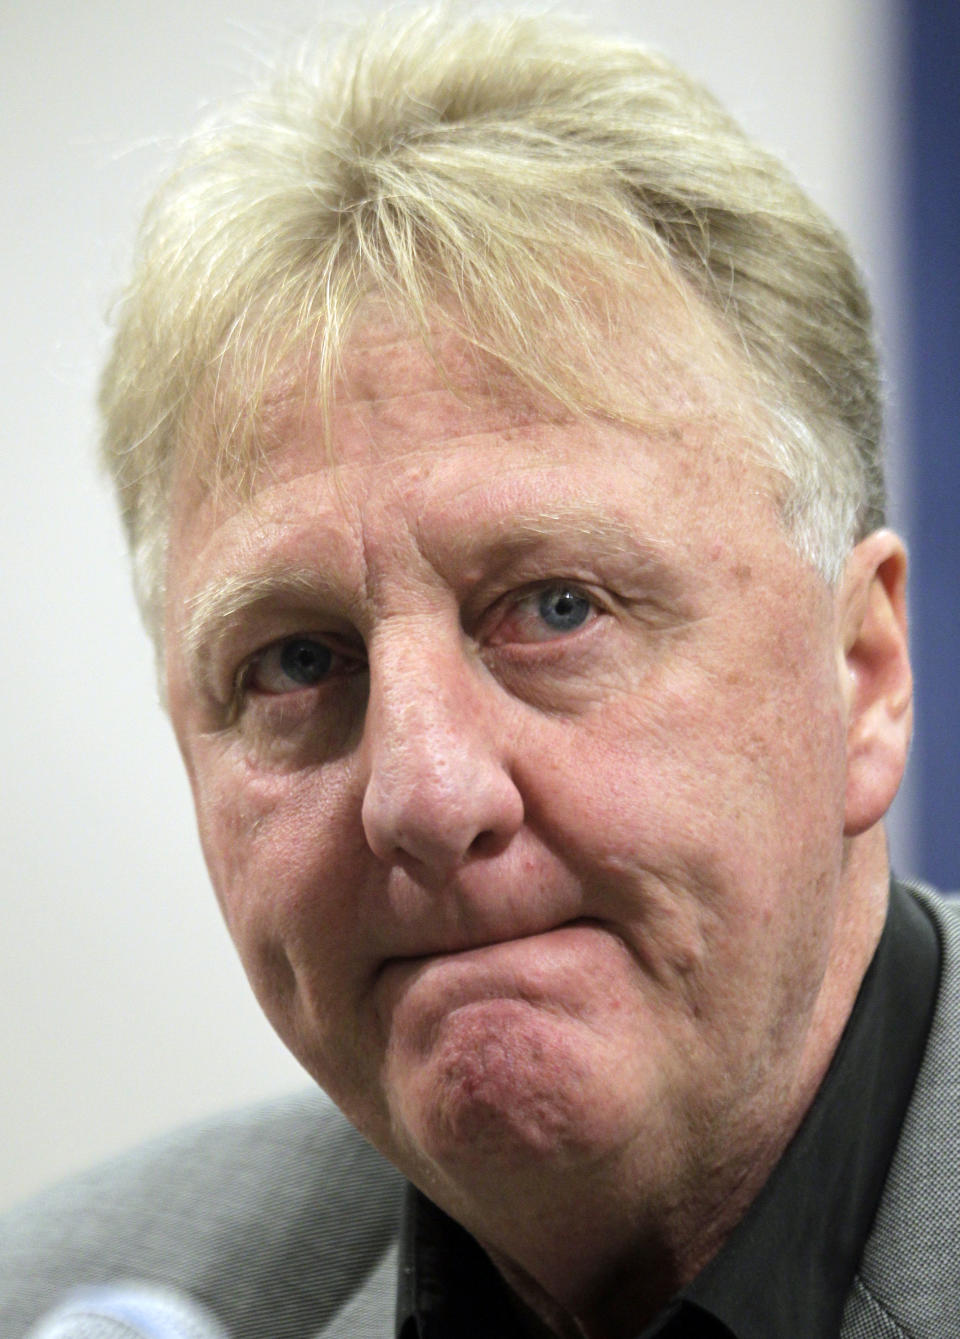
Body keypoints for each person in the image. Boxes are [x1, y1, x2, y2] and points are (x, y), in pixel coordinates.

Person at [2, 9, 957, 1338]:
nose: (424, 792)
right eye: (296, 661)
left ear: (863, 672)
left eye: (557, 609)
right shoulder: (64, 1294)